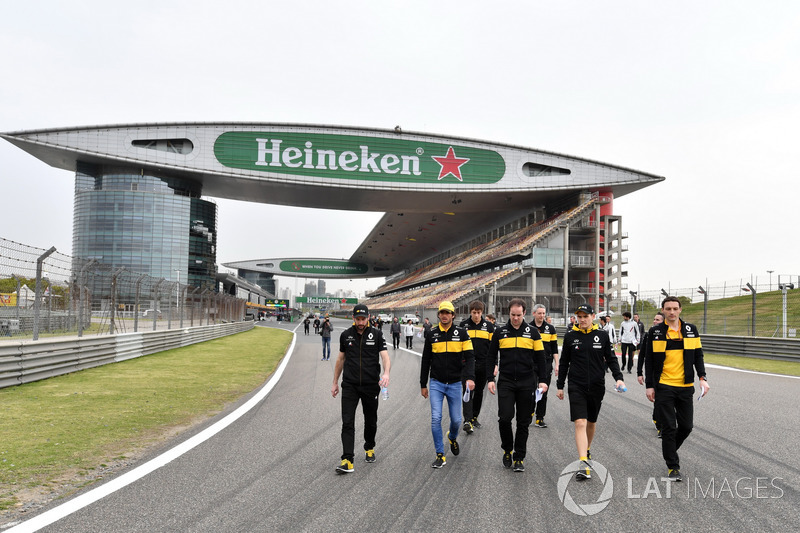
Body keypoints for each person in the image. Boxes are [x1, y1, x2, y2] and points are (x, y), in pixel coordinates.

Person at [556, 304, 625, 481]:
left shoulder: (602, 336)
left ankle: (586, 449)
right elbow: (564, 363)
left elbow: (611, 359)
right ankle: (583, 463)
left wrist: (619, 378)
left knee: (591, 422)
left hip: (596, 385)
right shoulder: (571, 336)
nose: (582, 319)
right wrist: (560, 385)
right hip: (576, 385)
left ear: (593, 316)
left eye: (585, 316)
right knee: (580, 422)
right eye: (579, 316)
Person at [645, 296, 709, 482]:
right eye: (668, 309)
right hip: (664, 386)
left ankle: (670, 450)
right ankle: (673, 466)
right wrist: (650, 385)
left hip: (686, 387)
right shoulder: (655, 331)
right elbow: (649, 360)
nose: (671, 312)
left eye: (675, 308)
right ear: (663, 310)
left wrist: (702, 378)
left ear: (680, 310)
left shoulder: (691, 330)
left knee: (687, 427)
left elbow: (698, 356)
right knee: (669, 428)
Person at [487, 298, 548, 473]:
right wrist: (490, 378)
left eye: (519, 315)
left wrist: (543, 380)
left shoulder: (533, 333)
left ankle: (519, 457)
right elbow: (491, 357)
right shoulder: (500, 332)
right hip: (505, 381)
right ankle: (507, 449)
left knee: (523, 422)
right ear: (509, 313)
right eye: (513, 315)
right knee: (505, 418)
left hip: (526, 382)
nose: (515, 318)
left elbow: (540, 359)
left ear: (524, 313)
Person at [331, 304, 391, 474]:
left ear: (368, 317)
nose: (361, 322)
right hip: (349, 385)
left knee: (370, 420)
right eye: (358, 319)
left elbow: (385, 357)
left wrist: (386, 373)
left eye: (363, 319)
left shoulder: (377, 334)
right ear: (353, 318)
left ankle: (369, 447)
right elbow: (340, 359)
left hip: (371, 385)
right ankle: (347, 459)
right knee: (347, 421)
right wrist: (335, 382)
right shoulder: (346, 335)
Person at [421, 301, 475, 468]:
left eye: (448, 313)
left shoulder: (462, 333)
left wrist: (470, 378)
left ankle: (452, 437)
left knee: (457, 420)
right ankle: (440, 454)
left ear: (453, 315)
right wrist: (423, 384)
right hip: (436, 382)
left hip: (455, 383)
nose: (444, 315)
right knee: (436, 418)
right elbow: (425, 360)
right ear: (438, 314)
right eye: (442, 312)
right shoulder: (431, 334)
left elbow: (470, 358)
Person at [459, 300, 495, 433]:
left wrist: (494, 364)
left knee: (479, 392)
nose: (476, 315)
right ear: (470, 312)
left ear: (482, 312)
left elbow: (493, 349)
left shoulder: (489, 327)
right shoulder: (463, 326)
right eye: (474, 312)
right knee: (467, 391)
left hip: (483, 364)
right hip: (467, 365)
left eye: (479, 313)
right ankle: (467, 420)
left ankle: (474, 417)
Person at [637, 312, 665, 436]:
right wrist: (639, 372)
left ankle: (664, 422)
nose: (654, 321)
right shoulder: (649, 335)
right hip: (653, 373)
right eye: (654, 319)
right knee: (658, 400)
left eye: (658, 320)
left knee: (666, 401)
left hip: (668, 373)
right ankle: (660, 425)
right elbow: (642, 355)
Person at [531, 304, 558, 429]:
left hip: (546, 364)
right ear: (534, 313)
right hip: (531, 364)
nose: (542, 316)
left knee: (543, 392)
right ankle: (529, 412)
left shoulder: (551, 328)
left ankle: (539, 418)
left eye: (543, 313)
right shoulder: (528, 328)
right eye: (539, 313)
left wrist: (557, 364)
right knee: (529, 390)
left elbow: (554, 348)